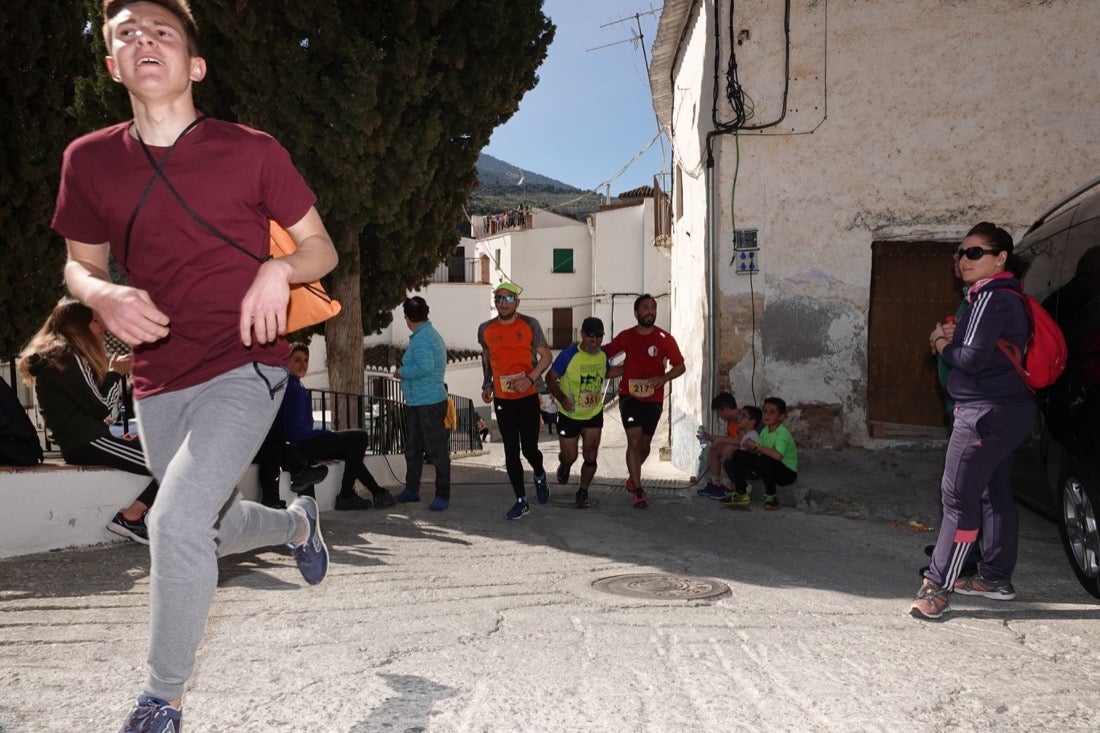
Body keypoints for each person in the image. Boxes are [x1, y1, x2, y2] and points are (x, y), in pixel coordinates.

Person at [53, 2, 337, 728]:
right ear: (113, 66)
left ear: (195, 65)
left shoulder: (253, 150)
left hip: (248, 361)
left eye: (162, 32)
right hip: (158, 375)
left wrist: (278, 269)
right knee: (203, 522)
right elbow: (79, 266)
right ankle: (296, 525)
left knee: (174, 519)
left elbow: (320, 248)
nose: (144, 40)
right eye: (127, 34)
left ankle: (161, 700)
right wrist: (104, 293)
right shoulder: (89, 160)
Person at [910, 222, 1037, 621]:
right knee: (993, 495)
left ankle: (937, 587)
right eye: (961, 253)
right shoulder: (1007, 296)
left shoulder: (990, 297)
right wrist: (956, 337)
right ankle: (995, 578)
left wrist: (940, 342)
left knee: (957, 499)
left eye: (975, 252)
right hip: (1009, 412)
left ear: (1001, 258)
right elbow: (988, 352)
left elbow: (969, 360)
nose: (964, 259)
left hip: (983, 414)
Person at [18, 298, 159, 544]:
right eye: (95, 320)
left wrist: (114, 378)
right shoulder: (68, 357)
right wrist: (115, 375)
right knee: (170, 464)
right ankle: (131, 517)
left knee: (169, 460)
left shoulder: (61, 357)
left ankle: (135, 517)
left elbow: (100, 409)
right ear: (77, 325)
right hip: (88, 442)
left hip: (87, 441)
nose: (102, 326)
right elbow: (103, 409)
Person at [280, 343, 396, 510]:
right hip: (303, 446)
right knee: (360, 436)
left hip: (305, 444)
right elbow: (294, 432)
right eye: (297, 360)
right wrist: (325, 433)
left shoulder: (297, 386)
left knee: (351, 451)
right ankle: (347, 495)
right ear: (287, 362)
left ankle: (377, 492)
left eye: (306, 360)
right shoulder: (293, 389)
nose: (303, 364)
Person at [478, 281, 552, 519]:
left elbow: (546, 356)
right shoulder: (485, 329)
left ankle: (539, 474)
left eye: (508, 298)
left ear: (517, 302)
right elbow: (487, 358)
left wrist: (530, 379)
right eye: (499, 299)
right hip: (503, 399)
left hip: (528, 397)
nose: (503, 303)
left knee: (530, 450)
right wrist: (487, 383)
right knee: (511, 450)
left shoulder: (530, 324)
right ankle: (521, 500)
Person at [603, 294, 686, 508]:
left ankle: (633, 475)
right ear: (636, 312)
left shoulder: (664, 338)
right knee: (634, 441)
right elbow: (605, 353)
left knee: (645, 446)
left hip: (654, 398)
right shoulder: (627, 336)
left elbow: (680, 366)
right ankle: (639, 490)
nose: (650, 311)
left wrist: (664, 378)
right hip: (629, 396)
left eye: (653, 307)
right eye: (645, 307)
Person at [546, 317, 623, 508]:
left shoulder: (602, 355)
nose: (595, 340)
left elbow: (605, 373)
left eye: (599, 336)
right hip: (569, 414)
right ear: (582, 335)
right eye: (590, 336)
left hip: (593, 413)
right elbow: (550, 378)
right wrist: (562, 398)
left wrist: (627, 368)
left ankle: (583, 491)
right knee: (570, 455)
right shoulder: (568, 355)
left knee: (590, 456)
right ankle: (565, 463)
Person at [392, 297, 451, 511]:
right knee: (414, 448)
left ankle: (441, 495)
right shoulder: (427, 335)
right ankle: (412, 489)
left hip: (428, 402)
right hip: (421, 401)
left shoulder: (422, 339)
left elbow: (426, 367)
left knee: (436, 451)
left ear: (407, 318)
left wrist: (401, 372)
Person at [722, 397, 798, 509]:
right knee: (738, 454)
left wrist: (756, 446)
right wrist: (749, 447)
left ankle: (772, 497)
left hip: (787, 474)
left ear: (781, 417)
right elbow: (757, 452)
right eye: (765, 411)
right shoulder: (764, 431)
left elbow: (777, 455)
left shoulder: (782, 433)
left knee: (764, 458)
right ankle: (741, 493)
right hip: (769, 467)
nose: (767, 414)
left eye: (772, 412)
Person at [696, 391, 740, 499]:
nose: (719, 416)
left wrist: (720, 440)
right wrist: (710, 437)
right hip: (737, 446)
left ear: (726, 410)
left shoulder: (742, 418)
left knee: (727, 448)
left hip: (746, 449)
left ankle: (727, 487)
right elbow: (730, 438)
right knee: (715, 449)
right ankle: (715, 484)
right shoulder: (731, 421)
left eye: (718, 413)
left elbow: (741, 441)